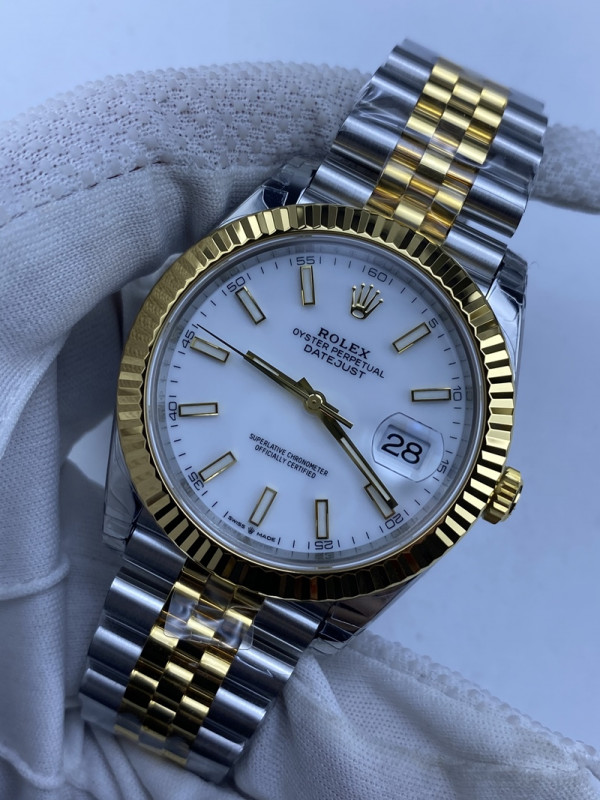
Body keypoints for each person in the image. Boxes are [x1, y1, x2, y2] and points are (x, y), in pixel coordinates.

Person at [1, 61, 599, 800]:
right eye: (309, 395)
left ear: (483, 489)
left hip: (258, 536)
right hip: (199, 514)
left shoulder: (479, 326)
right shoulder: (284, 220)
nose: (319, 401)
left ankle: (160, 724)